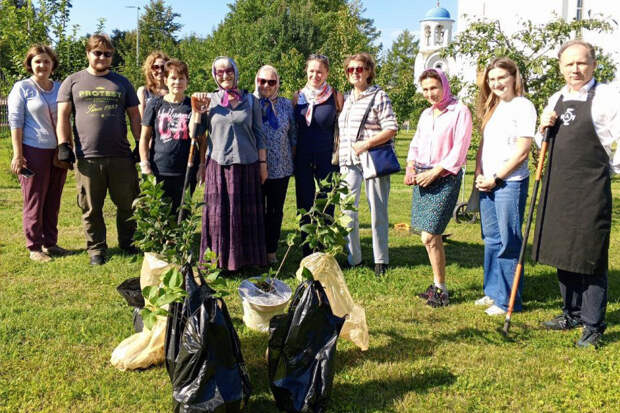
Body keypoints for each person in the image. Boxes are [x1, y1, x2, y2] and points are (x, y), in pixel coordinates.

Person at [534, 40, 619, 348]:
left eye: (581, 63)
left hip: (590, 187)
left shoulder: (608, 97)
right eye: (569, 64)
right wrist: (542, 126)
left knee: (590, 255)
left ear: (594, 64)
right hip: (558, 186)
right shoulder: (556, 97)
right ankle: (570, 313)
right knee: (562, 249)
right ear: (561, 67)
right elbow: (540, 142)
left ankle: (594, 324)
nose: (575, 69)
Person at [56, 34, 141, 266]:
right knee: (91, 207)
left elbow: (135, 116)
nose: (102, 57)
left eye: (107, 53)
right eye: (97, 52)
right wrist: (64, 145)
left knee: (128, 204)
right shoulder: (72, 81)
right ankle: (96, 249)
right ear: (88, 53)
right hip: (87, 157)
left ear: (112, 56)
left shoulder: (122, 83)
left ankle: (128, 241)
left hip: (121, 156)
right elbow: (63, 116)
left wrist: (140, 145)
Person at [404, 68, 472, 307]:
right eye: (425, 90)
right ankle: (437, 284)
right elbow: (415, 143)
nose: (430, 93)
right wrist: (410, 167)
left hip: (444, 178)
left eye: (434, 88)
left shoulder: (460, 111)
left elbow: (460, 149)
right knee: (428, 238)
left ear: (444, 86)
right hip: (422, 176)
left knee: (430, 234)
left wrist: (435, 172)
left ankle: (441, 289)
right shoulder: (426, 114)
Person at [474, 57, 536, 316]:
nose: (496, 83)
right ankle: (493, 291)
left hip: (508, 183)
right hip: (487, 182)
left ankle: (508, 300)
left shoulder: (523, 107)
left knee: (508, 240)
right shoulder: (493, 106)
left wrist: (496, 177)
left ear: (513, 77)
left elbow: (522, 152)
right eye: (492, 79)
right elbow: (484, 145)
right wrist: (479, 172)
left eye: (501, 77)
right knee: (491, 239)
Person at [194, 56, 268, 271]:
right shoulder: (209, 100)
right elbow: (197, 134)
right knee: (219, 214)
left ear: (235, 72)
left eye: (229, 71)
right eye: (219, 72)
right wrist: (197, 113)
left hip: (248, 163)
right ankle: (218, 262)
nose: (225, 75)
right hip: (218, 164)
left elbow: (259, 133)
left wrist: (263, 163)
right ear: (215, 76)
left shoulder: (251, 100)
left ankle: (247, 260)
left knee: (245, 214)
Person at [337, 52, 398, 277]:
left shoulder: (379, 96)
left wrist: (366, 144)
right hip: (348, 162)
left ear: (369, 71)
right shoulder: (346, 99)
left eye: (359, 69)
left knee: (377, 211)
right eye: (350, 69)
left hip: (372, 160)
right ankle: (354, 258)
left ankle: (380, 260)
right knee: (347, 210)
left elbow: (391, 128)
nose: (355, 73)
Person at [8, 44, 68, 263]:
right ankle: (34, 246)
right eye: (37, 61)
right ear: (30, 65)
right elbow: (16, 122)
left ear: (53, 65)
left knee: (53, 198)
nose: (42, 65)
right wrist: (18, 154)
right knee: (34, 199)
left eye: (46, 61)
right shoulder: (22, 88)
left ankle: (50, 242)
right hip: (33, 151)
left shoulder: (60, 87)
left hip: (57, 152)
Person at [293, 54, 344, 257]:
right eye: (312, 70)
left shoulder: (336, 96)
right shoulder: (298, 97)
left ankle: (322, 247)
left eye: (320, 71)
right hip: (303, 156)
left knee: (326, 202)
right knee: (304, 202)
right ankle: (307, 249)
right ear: (306, 71)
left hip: (327, 157)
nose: (316, 75)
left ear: (327, 73)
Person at [139, 59, 204, 214]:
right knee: (160, 215)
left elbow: (202, 140)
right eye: (173, 78)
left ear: (187, 81)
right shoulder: (155, 104)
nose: (177, 82)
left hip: (185, 170)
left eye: (181, 78)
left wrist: (202, 166)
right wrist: (145, 164)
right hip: (159, 169)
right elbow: (144, 138)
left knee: (182, 213)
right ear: (166, 80)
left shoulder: (193, 106)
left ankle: (181, 240)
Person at [253, 65, 296, 265]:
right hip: (253, 167)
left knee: (275, 211)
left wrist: (292, 159)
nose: (267, 85)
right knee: (256, 210)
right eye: (263, 81)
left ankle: (271, 250)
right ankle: (256, 250)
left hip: (281, 167)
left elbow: (293, 136)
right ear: (256, 81)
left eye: (272, 82)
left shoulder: (287, 105)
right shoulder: (248, 103)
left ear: (278, 83)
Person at [136, 51, 169, 118]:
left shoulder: (172, 91)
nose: (160, 71)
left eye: (163, 67)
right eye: (156, 67)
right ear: (150, 69)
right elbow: (141, 119)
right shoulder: (143, 91)